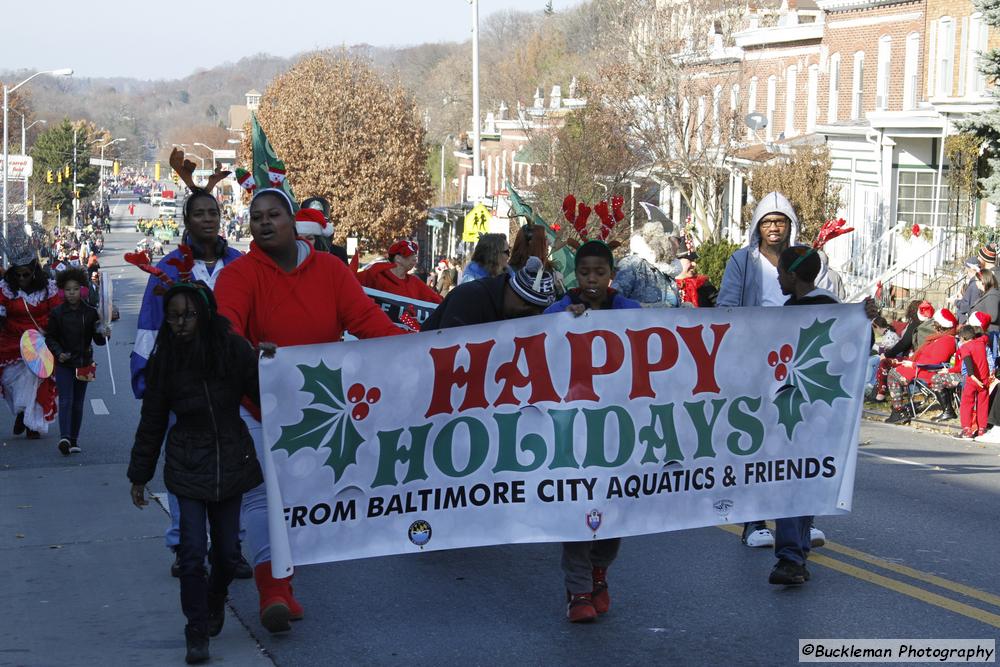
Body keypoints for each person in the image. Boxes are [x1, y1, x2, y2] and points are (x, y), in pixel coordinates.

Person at [214, 188, 406, 634]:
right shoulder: (238, 275)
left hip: (323, 412)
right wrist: (247, 350)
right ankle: (273, 589)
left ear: (292, 221)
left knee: (305, 501)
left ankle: (287, 581)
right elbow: (227, 326)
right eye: (256, 216)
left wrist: (424, 345)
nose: (264, 222)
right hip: (256, 406)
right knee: (263, 497)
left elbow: (368, 323)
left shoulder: (331, 271)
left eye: (274, 214)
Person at [128, 282, 264, 665]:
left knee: (225, 553)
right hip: (186, 463)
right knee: (190, 553)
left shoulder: (234, 349)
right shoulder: (165, 360)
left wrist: (267, 361)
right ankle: (196, 628)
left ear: (205, 314)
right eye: (173, 317)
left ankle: (216, 597)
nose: (181, 324)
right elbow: (152, 420)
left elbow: (263, 392)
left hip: (231, 460)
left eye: (188, 315)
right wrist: (139, 474)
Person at [130, 187, 248, 579]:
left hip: (230, 379)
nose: (208, 219)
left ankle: (233, 546)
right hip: (182, 381)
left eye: (213, 211)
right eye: (199, 213)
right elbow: (150, 320)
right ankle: (184, 544)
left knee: (237, 461)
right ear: (187, 221)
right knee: (186, 464)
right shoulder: (169, 267)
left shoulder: (240, 264)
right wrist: (146, 374)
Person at [543, 240, 640, 622]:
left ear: (611, 275)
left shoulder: (628, 310)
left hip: (619, 429)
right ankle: (578, 589)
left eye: (600, 272)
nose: (592, 279)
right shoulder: (560, 308)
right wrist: (565, 319)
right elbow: (541, 338)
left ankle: (600, 572)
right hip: (574, 429)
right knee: (578, 508)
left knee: (613, 508)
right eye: (584, 273)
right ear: (575, 275)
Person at [716, 192, 805, 548]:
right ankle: (753, 522)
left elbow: (827, 301)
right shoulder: (742, 262)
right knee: (756, 442)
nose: (773, 228)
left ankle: (801, 520)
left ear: (789, 226)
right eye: (767, 221)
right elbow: (726, 306)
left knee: (795, 438)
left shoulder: (805, 259)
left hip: (796, 358)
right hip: (755, 360)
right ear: (758, 226)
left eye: (779, 221)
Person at [768, 245, 840, 585]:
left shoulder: (826, 307)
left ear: (793, 275)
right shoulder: (789, 308)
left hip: (815, 408)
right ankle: (795, 554)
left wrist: (864, 316)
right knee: (796, 479)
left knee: (793, 482)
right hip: (791, 406)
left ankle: (791, 557)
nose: (778, 279)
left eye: (781, 273)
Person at [45, 268, 109, 456]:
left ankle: (73, 440)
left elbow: (98, 340)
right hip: (64, 363)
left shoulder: (91, 312)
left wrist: (104, 333)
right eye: (68, 289)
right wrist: (59, 353)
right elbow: (50, 338)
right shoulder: (57, 313)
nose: (71, 293)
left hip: (85, 363)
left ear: (82, 290)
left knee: (78, 403)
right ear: (62, 291)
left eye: (75, 289)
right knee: (65, 400)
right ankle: (64, 437)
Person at [0, 254, 62, 439]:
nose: (21, 279)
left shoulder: (48, 289)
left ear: (34, 272)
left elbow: (57, 314)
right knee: (11, 380)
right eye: (17, 275)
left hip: (40, 342)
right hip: (11, 342)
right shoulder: (6, 289)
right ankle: (22, 412)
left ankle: (32, 424)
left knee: (35, 378)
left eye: (25, 274)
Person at [422, 255, 555, 330]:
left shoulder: (508, 308)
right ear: (517, 294)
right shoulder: (468, 298)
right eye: (529, 311)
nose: (529, 318)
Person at [885, 308, 958, 425]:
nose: (933, 326)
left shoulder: (946, 340)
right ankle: (898, 409)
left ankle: (898, 411)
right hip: (919, 367)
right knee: (890, 366)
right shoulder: (939, 338)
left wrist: (912, 364)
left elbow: (934, 363)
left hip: (925, 371)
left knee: (893, 374)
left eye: (935, 323)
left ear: (941, 325)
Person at [930, 324, 990, 439]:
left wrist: (972, 375)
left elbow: (967, 361)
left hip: (972, 380)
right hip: (984, 379)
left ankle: (967, 430)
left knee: (967, 404)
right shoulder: (982, 343)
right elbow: (985, 338)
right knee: (983, 404)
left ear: (963, 338)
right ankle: (982, 429)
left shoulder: (965, 347)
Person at [612, 222, 681, 307]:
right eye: (678, 240)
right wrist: (651, 309)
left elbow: (672, 305)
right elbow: (614, 302)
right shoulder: (632, 265)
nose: (678, 246)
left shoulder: (668, 271)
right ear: (664, 239)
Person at [357, 240, 443, 304]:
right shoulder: (376, 277)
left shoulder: (414, 282)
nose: (414, 259)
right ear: (398, 258)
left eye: (415, 255)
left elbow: (436, 300)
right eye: (410, 255)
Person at [299, 196, 349, 264]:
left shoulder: (339, 253)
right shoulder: (294, 252)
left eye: (321, 221)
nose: (316, 226)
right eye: (312, 221)